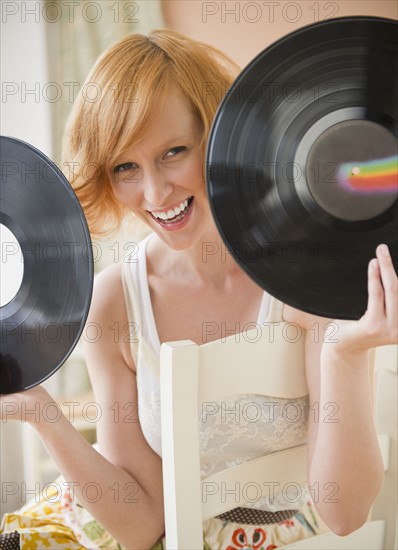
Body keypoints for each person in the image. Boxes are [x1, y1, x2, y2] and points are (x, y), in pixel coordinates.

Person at [1, 29, 397, 550]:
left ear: (218, 135)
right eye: (126, 167)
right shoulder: (114, 302)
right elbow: (144, 527)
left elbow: (344, 513)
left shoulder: (306, 278)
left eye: (173, 152)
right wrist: (42, 416)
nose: (155, 192)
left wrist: (345, 355)